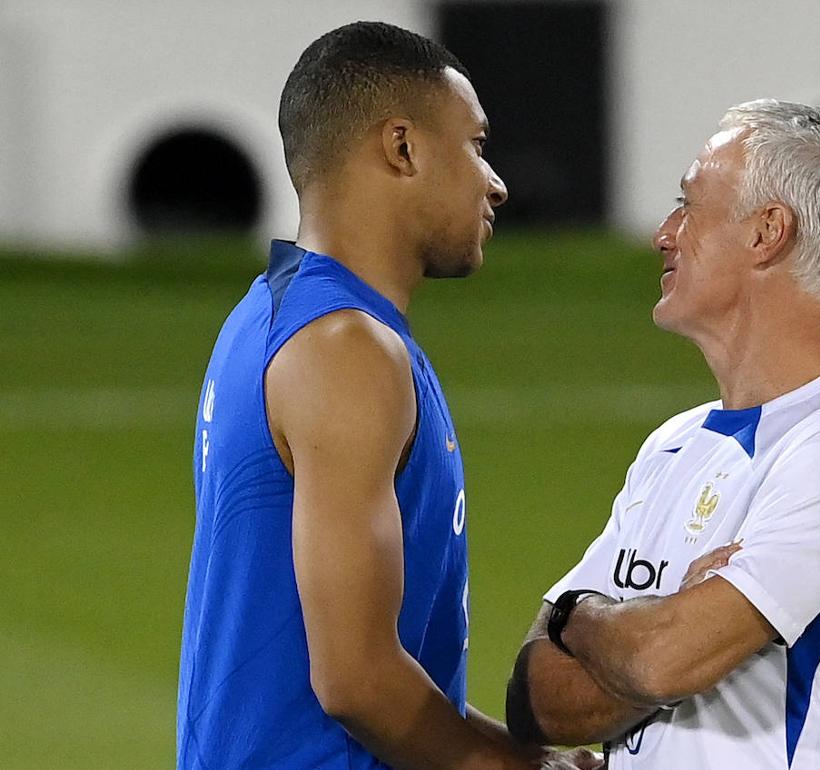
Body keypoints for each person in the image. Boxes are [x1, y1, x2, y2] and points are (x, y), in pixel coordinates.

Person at [178, 21, 596, 770]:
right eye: (474, 145)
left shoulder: (271, 314)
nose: (494, 180)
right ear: (402, 147)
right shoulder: (347, 351)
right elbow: (359, 683)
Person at [505, 100, 820, 769]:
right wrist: (670, 625)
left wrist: (577, 616)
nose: (664, 233)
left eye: (688, 204)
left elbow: (660, 661)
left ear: (767, 232)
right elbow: (536, 701)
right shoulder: (674, 445)